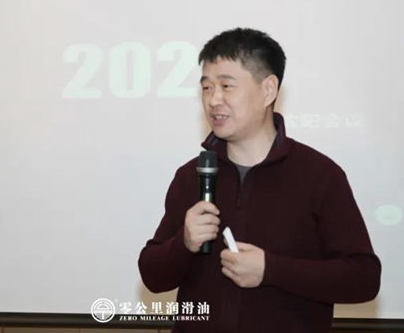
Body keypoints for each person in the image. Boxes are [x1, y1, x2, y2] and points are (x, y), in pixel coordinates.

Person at [138, 28, 381, 332]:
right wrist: (183, 244)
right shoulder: (192, 175)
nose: (213, 100)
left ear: (268, 90)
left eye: (227, 86)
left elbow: (363, 278)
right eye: (206, 87)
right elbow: (153, 276)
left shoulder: (319, 175)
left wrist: (271, 270)